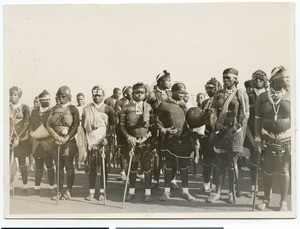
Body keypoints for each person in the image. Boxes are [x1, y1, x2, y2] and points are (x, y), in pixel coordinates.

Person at [207, 68, 249, 203]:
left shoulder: (241, 93)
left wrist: (237, 127)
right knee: (219, 163)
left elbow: (245, 113)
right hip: (220, 130)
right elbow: (213, 111)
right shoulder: (218, 93)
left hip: (234, 131)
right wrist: (215, 124)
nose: (226, 80)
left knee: (232, 162)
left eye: (229, 78)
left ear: (236, 79)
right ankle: (217, 193)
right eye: (224, 77)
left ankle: (231, 192)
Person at [255, 66, 291, 211]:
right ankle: (267, 199)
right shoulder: (262, 97)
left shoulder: (292, 94)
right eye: (285, 77)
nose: (289, 80)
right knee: (268, 170)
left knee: (283, 169)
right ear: (275, 79)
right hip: (267, 138)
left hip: (287, 138)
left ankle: (283, 202)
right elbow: (257, 119)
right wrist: (257, 139)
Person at [156, 82, 195, 201]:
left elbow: (190, 121)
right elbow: (157, 120)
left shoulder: (184, 106)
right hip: (170, 140)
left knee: (184, 167)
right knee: (169, 166)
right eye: (180, 92)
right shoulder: (164, 104)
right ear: (173, 91)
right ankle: (166, 192)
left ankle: (186, 192)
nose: (183, 95)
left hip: (184, 140)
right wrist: (164, 130)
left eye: (184, 92)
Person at [120, 82, 154, 202]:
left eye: (142, 92)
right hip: (132, 141)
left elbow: (153, 125)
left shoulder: (148, 107)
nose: (140, 94)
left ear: (145, 94)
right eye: (137, 92)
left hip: (146, 141)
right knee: (132, 167)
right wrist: (129, 137)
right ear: (132, 93)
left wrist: (148, 136)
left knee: (147, 167)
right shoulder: (126, 107)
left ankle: (148, 193)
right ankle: (131, 191)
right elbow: (122, 126)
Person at [82, 86, 117, 201]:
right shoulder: (87, 108)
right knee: (92, 168)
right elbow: (83, 126)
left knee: (103, 168)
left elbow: (113, 127)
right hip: (91, 142)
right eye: (94, 95)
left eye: (99, 95)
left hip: (104, 142)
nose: (96, 97)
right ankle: (91, 192)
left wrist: (107, 139)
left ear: (103, 95)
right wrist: (90, 128)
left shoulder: (108, 109)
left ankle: (102, 192)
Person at [147, 70, 179, 189]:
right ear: (160, 82)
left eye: (171, 81)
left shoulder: (171, 94)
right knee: (157, 156)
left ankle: (172, 180)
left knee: (172, 154)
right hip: (157, 128)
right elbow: (147, 110)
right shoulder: (152, 95)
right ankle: (156, 180)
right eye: (168, 81)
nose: (170, 83)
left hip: (170, 127)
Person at [46, 86, 79, 200]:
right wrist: (55, 136)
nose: (61, 98)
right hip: (56, 141)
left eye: (63, 96)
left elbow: (75, 127)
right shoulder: (54, 108)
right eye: (59, 96)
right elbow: (48, 125)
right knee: (58, 166)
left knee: (69, 166)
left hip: (69, 141)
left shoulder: (73, 109)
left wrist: (66, 138)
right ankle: (59, 191)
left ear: (68, 97)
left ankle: (68, 191)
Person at [243, 70, 269, 197]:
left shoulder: (269, 94)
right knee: (254, 160)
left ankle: (265, 188)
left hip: (268, 131)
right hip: (252, 130)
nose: (258, 81)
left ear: (265, 81)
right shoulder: (248, 94)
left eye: (260, 79)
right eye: (256, 79)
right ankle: (254, 187)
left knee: (266, 161)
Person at [29, 90, 55, 197]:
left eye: (49, 100)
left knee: (49, 165)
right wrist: (31, 132)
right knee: (38, 166)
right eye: (45, 100)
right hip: (37, 143)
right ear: (40, 101)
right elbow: (30, 124)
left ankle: (52, 188)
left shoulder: (52, 111)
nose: (47, 102)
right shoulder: (34, 112)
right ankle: (36, 188)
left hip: (48, 142)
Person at [199, 77, 222, 193]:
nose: (209, 90)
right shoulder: (204, 102)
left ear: (217, 88)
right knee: (207, 161)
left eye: (211, 88)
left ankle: (215, 186)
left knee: (217, 162)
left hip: (218, 135)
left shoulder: (220, 101)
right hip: (207, 134)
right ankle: (206, 184)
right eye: (207, 88)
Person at [9, 86, 33, 195]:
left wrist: (18, 136)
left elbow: (27, 124)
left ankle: (25, 186)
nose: (13, 97)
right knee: (8, 163)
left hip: (21, 138)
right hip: (8, 138)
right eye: (11, 95)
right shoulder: (6, 107)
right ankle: (8, 186)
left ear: (19, 96)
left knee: (22, 163)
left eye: (15, 95)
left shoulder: (24, 107)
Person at [115, 86, 133, 182]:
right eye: (130, 92)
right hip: (122, 130)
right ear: (125, 93)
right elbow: (118, 113)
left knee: (131, 151)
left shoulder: (134, 102)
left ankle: (130, 172)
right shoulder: (120, 102)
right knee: (123, 151)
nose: (132, 93)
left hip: (131, 130)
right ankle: (122, 172)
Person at [75, 93, 87, 170]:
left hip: (85, 128)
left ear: (84, 99)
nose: (79, 101)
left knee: (85, 146)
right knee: (77, 146)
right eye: (78, 99)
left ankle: (86, 164)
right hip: (77, 129)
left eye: (81, 99)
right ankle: (77, 164)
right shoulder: (75, 108)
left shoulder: (87, 107)